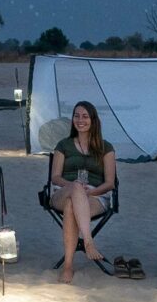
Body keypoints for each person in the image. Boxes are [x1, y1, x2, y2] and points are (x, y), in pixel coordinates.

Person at [45, 100, 119, 282]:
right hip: (62, 191)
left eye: (85, 116)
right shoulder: (63, 145)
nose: (80, 120)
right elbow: (55, 177)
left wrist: (88, 193)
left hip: (95, 195)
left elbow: (110, 183)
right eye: (76, 116)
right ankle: (88, 242)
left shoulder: (106, 148)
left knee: (72, 205)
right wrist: (73, 187)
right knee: (74, 190)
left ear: (93, 120)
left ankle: (68, 266)